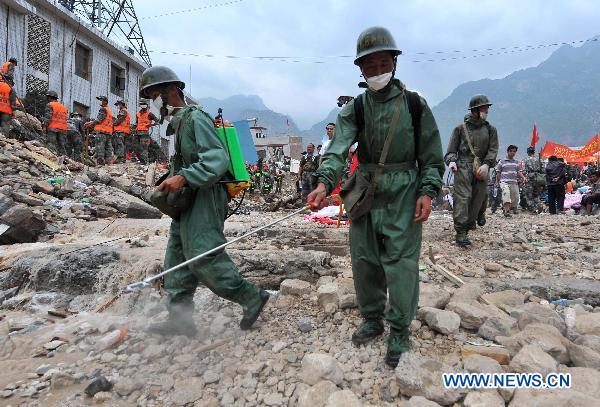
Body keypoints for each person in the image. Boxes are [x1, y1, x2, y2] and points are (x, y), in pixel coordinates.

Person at [308, 27, 444, 367]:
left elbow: (431, 154)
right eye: (370, 66)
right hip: (365, 190)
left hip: (403, 190)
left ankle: (399, 331)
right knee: (365, 259)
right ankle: (371, 317)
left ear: (394, 64)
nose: (378, 71)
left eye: (384, 63)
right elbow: (338, 148)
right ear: (360, 70)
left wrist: (427, 191)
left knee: (400, 263)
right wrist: (325, 183)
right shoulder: (355, 109)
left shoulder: (414, 105)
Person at [140, 66, 269, 336]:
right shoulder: (180, 123)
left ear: (171, 91)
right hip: (189, 197)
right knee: (177, 256)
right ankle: (180, 319)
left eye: (154, 94)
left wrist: (184, 178)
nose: (152, 101)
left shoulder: (195, 119)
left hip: (205, 196)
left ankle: (251, 297)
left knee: (203, 256)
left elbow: (216, 159)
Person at [445, 95, 499, 246]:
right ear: (475, 110)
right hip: (463, 166)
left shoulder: (490, 129)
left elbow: (493, 149)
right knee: (463, 197)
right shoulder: (460, 129)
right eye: (484, 107)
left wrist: (487, 164)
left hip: (482, 167)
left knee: (479, 197)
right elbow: (450, 152)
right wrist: (452, 162)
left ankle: (474, 219)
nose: (487, 110)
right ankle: (461, 232)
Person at [495, 145, 525, 216]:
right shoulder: (502, 162)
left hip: (514, 182)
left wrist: (523, 177)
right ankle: (506, 211)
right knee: (506, 195)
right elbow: (498, 173)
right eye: (511, 151)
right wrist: (497, 181)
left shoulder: (516, 162)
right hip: (504, 182)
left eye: (514, 151)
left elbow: (519, 172)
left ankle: (514, 208)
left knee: (516, 197)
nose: (513, 153)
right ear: (508, 151)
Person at [85, 96, 114, 165]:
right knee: (108, 147)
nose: (100, 101)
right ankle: (108, 162)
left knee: (100, 147)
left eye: (101, 100)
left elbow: (99, 120)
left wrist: (90, 124)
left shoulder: (103, 109)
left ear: (105, 101)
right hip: (108, 132)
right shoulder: (109, 110)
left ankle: (100, 163)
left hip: (102, 131)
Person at [43, 91, 69, 156]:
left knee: (51, 144)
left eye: (47, 97)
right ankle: (64, 160)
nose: (47, 99)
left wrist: (44, 126)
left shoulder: (50, 105)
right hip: (63, 129)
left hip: (53, 128)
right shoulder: (63, 107)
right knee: (62, 145)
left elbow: (48, 117)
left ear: (50, 97)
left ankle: (52, 159)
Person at [523, 146, 544, 212]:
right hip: (538, 178)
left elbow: (524, 171)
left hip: (530, 177)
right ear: (534, 152)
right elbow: (543, 169)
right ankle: (539, 204)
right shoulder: (539, 159)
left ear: (527, 152)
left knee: (529, 194)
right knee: (536, 193)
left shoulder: (526, 159)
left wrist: (524, 177)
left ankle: (533, 209)